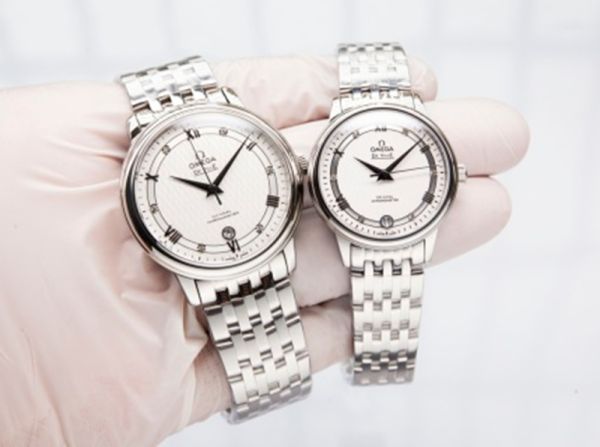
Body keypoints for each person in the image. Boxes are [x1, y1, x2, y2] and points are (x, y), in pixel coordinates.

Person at [0, 55, 528, 445]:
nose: (214, 190)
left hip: (261, 238)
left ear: (297, 167)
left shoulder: (289, 170)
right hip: (202, 262)